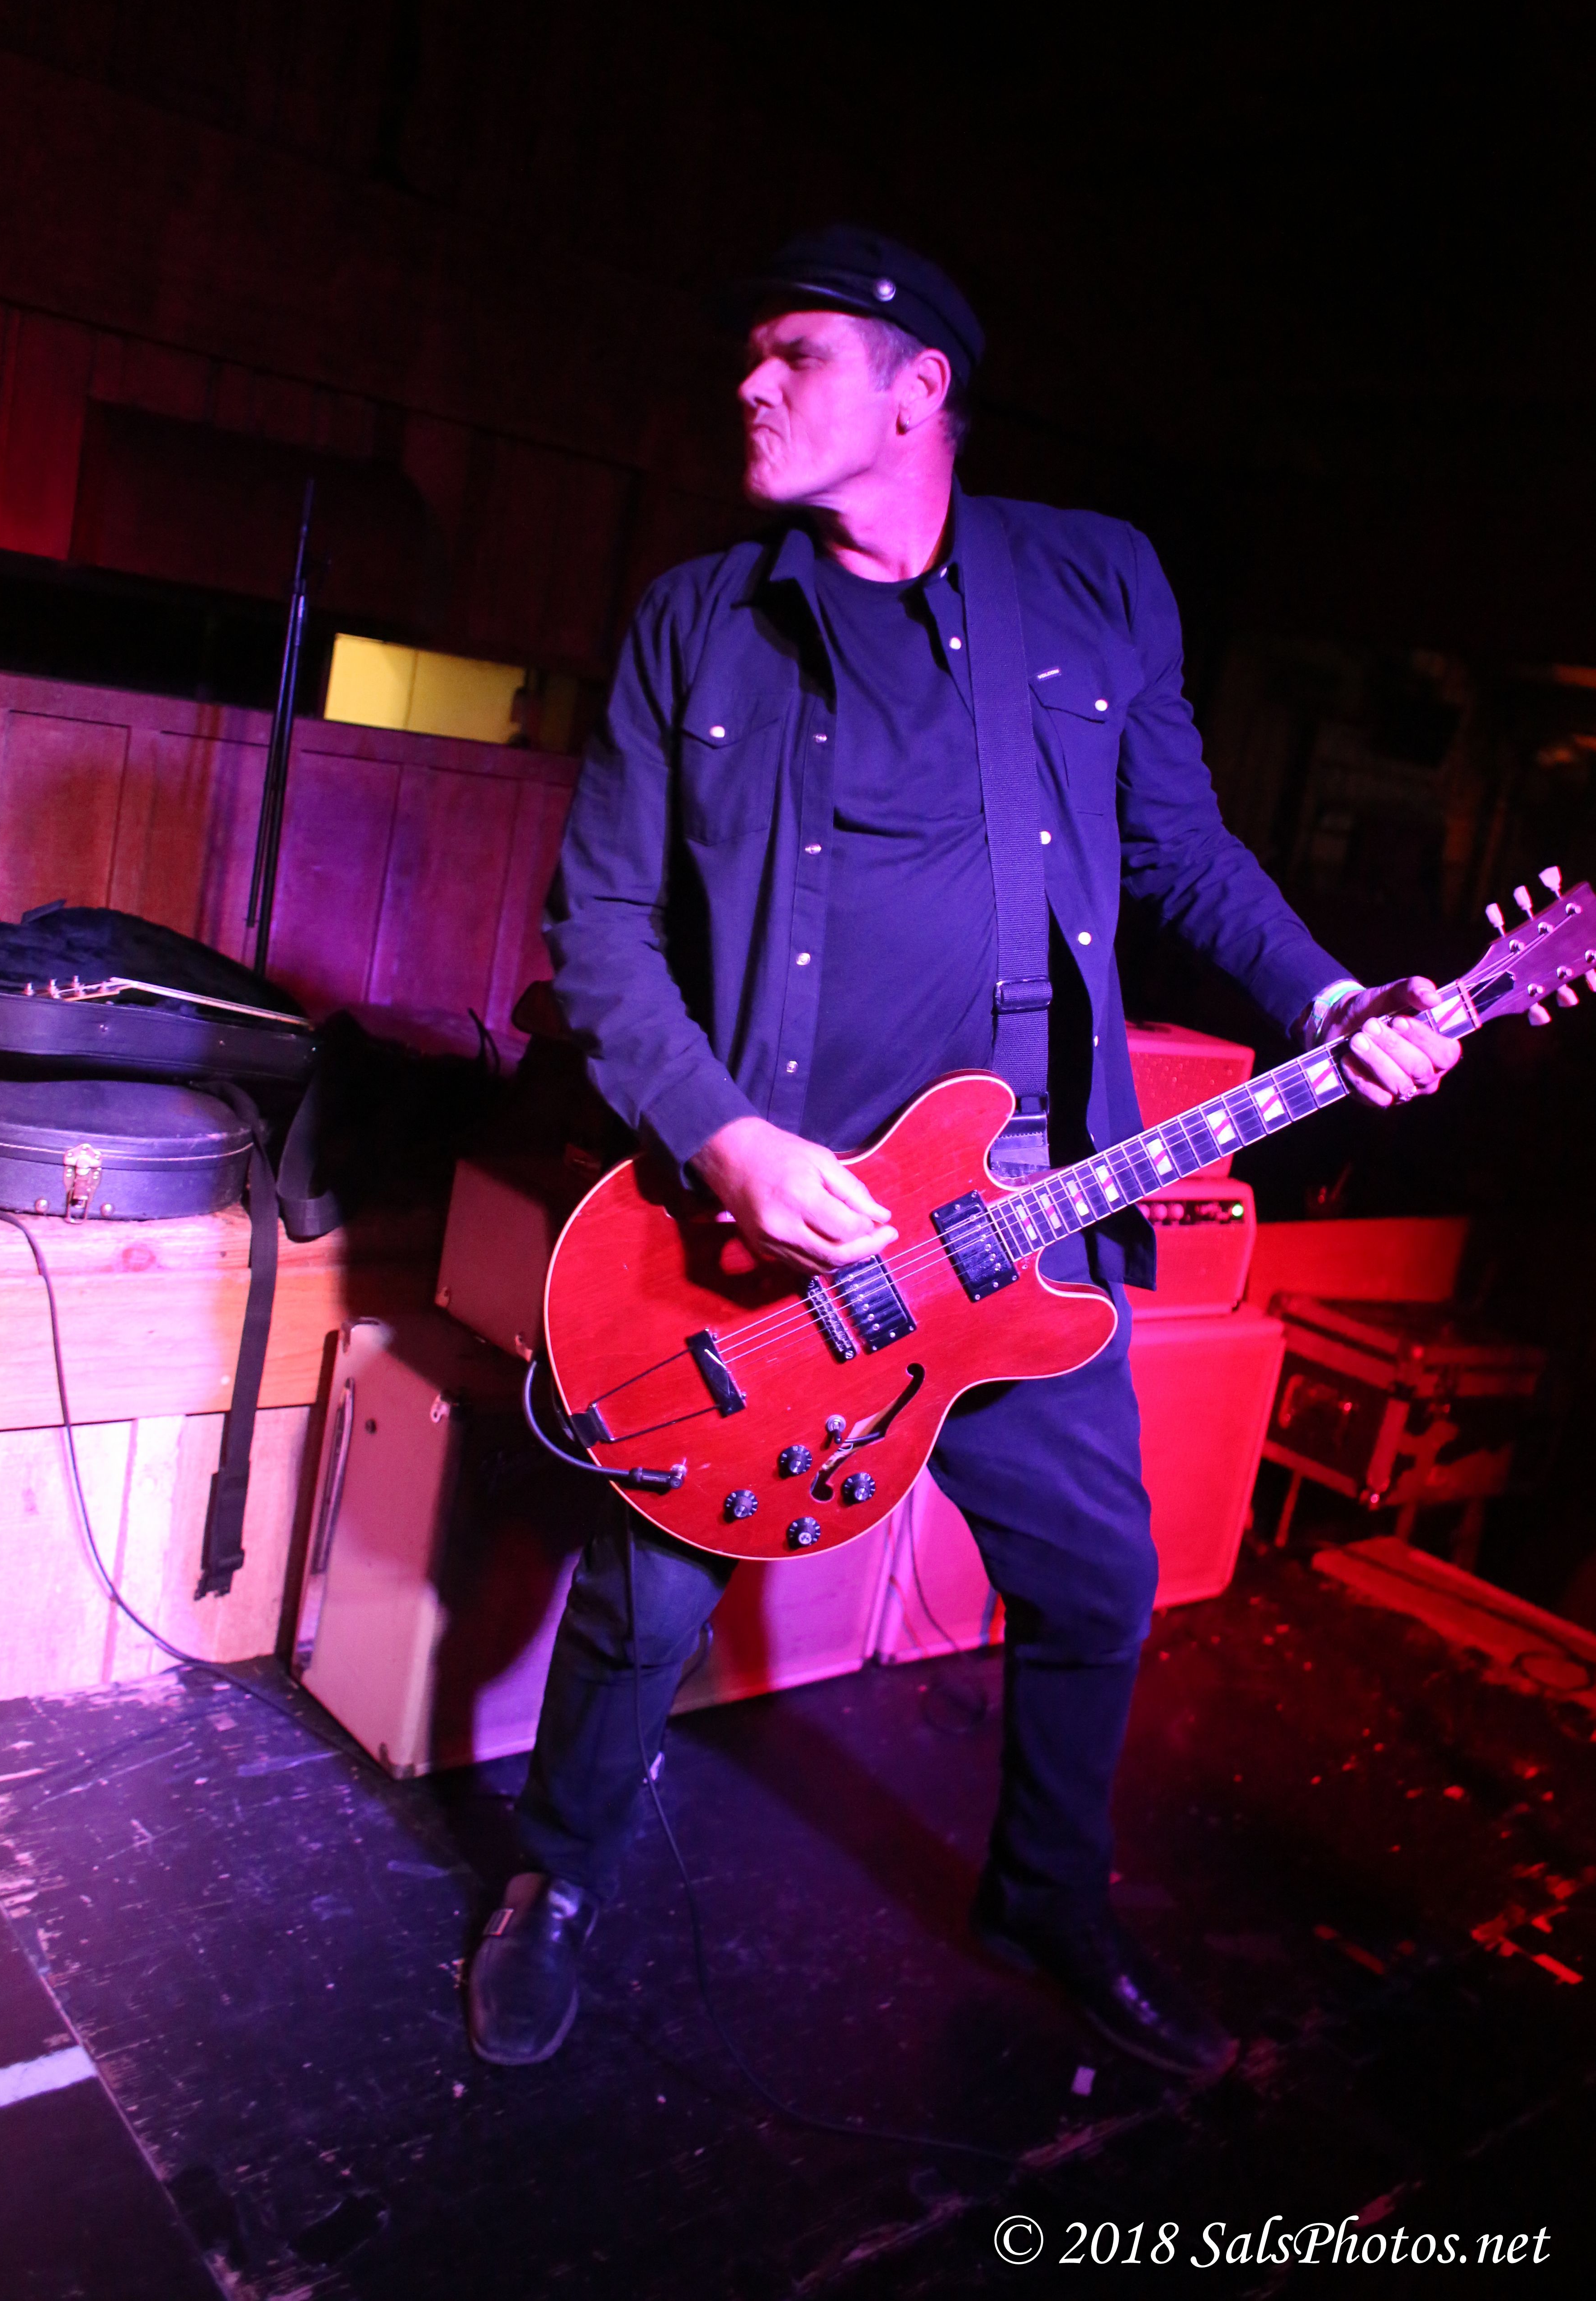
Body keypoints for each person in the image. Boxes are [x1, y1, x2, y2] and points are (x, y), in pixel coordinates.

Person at [467, 227, 1461, 2078]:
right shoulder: (699, 619)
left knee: (1094, 1579)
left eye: (793, 353)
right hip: (755, 1230)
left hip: (1019, 1224)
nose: (750, 383)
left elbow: (1179, 854)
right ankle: (562, 1875)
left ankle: (1047, 1902)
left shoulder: (1090, 584)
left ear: (918, 387)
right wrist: (730, 1143)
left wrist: (1333, 998)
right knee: (649, 1590)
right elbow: (597, 926)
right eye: (749, 353)